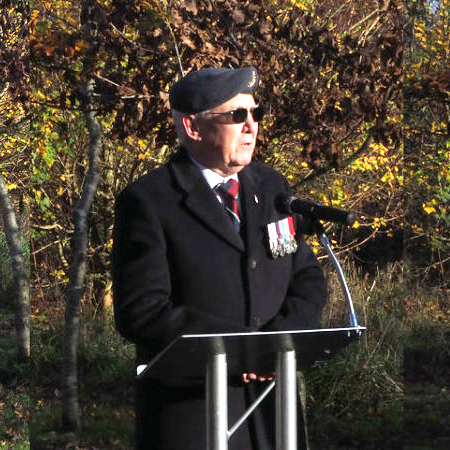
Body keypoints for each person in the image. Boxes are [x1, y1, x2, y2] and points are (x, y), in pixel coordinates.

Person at [111, 67, 328, 449]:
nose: (251, 126)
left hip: (272, 410)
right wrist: (241, 348)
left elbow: (305, 276)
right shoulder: (149, 200)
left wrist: (277, 343)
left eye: (255, 114)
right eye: (236, 116)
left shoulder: (272, 188)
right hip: (194, 410)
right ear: (193, 128)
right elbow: (142, 309)